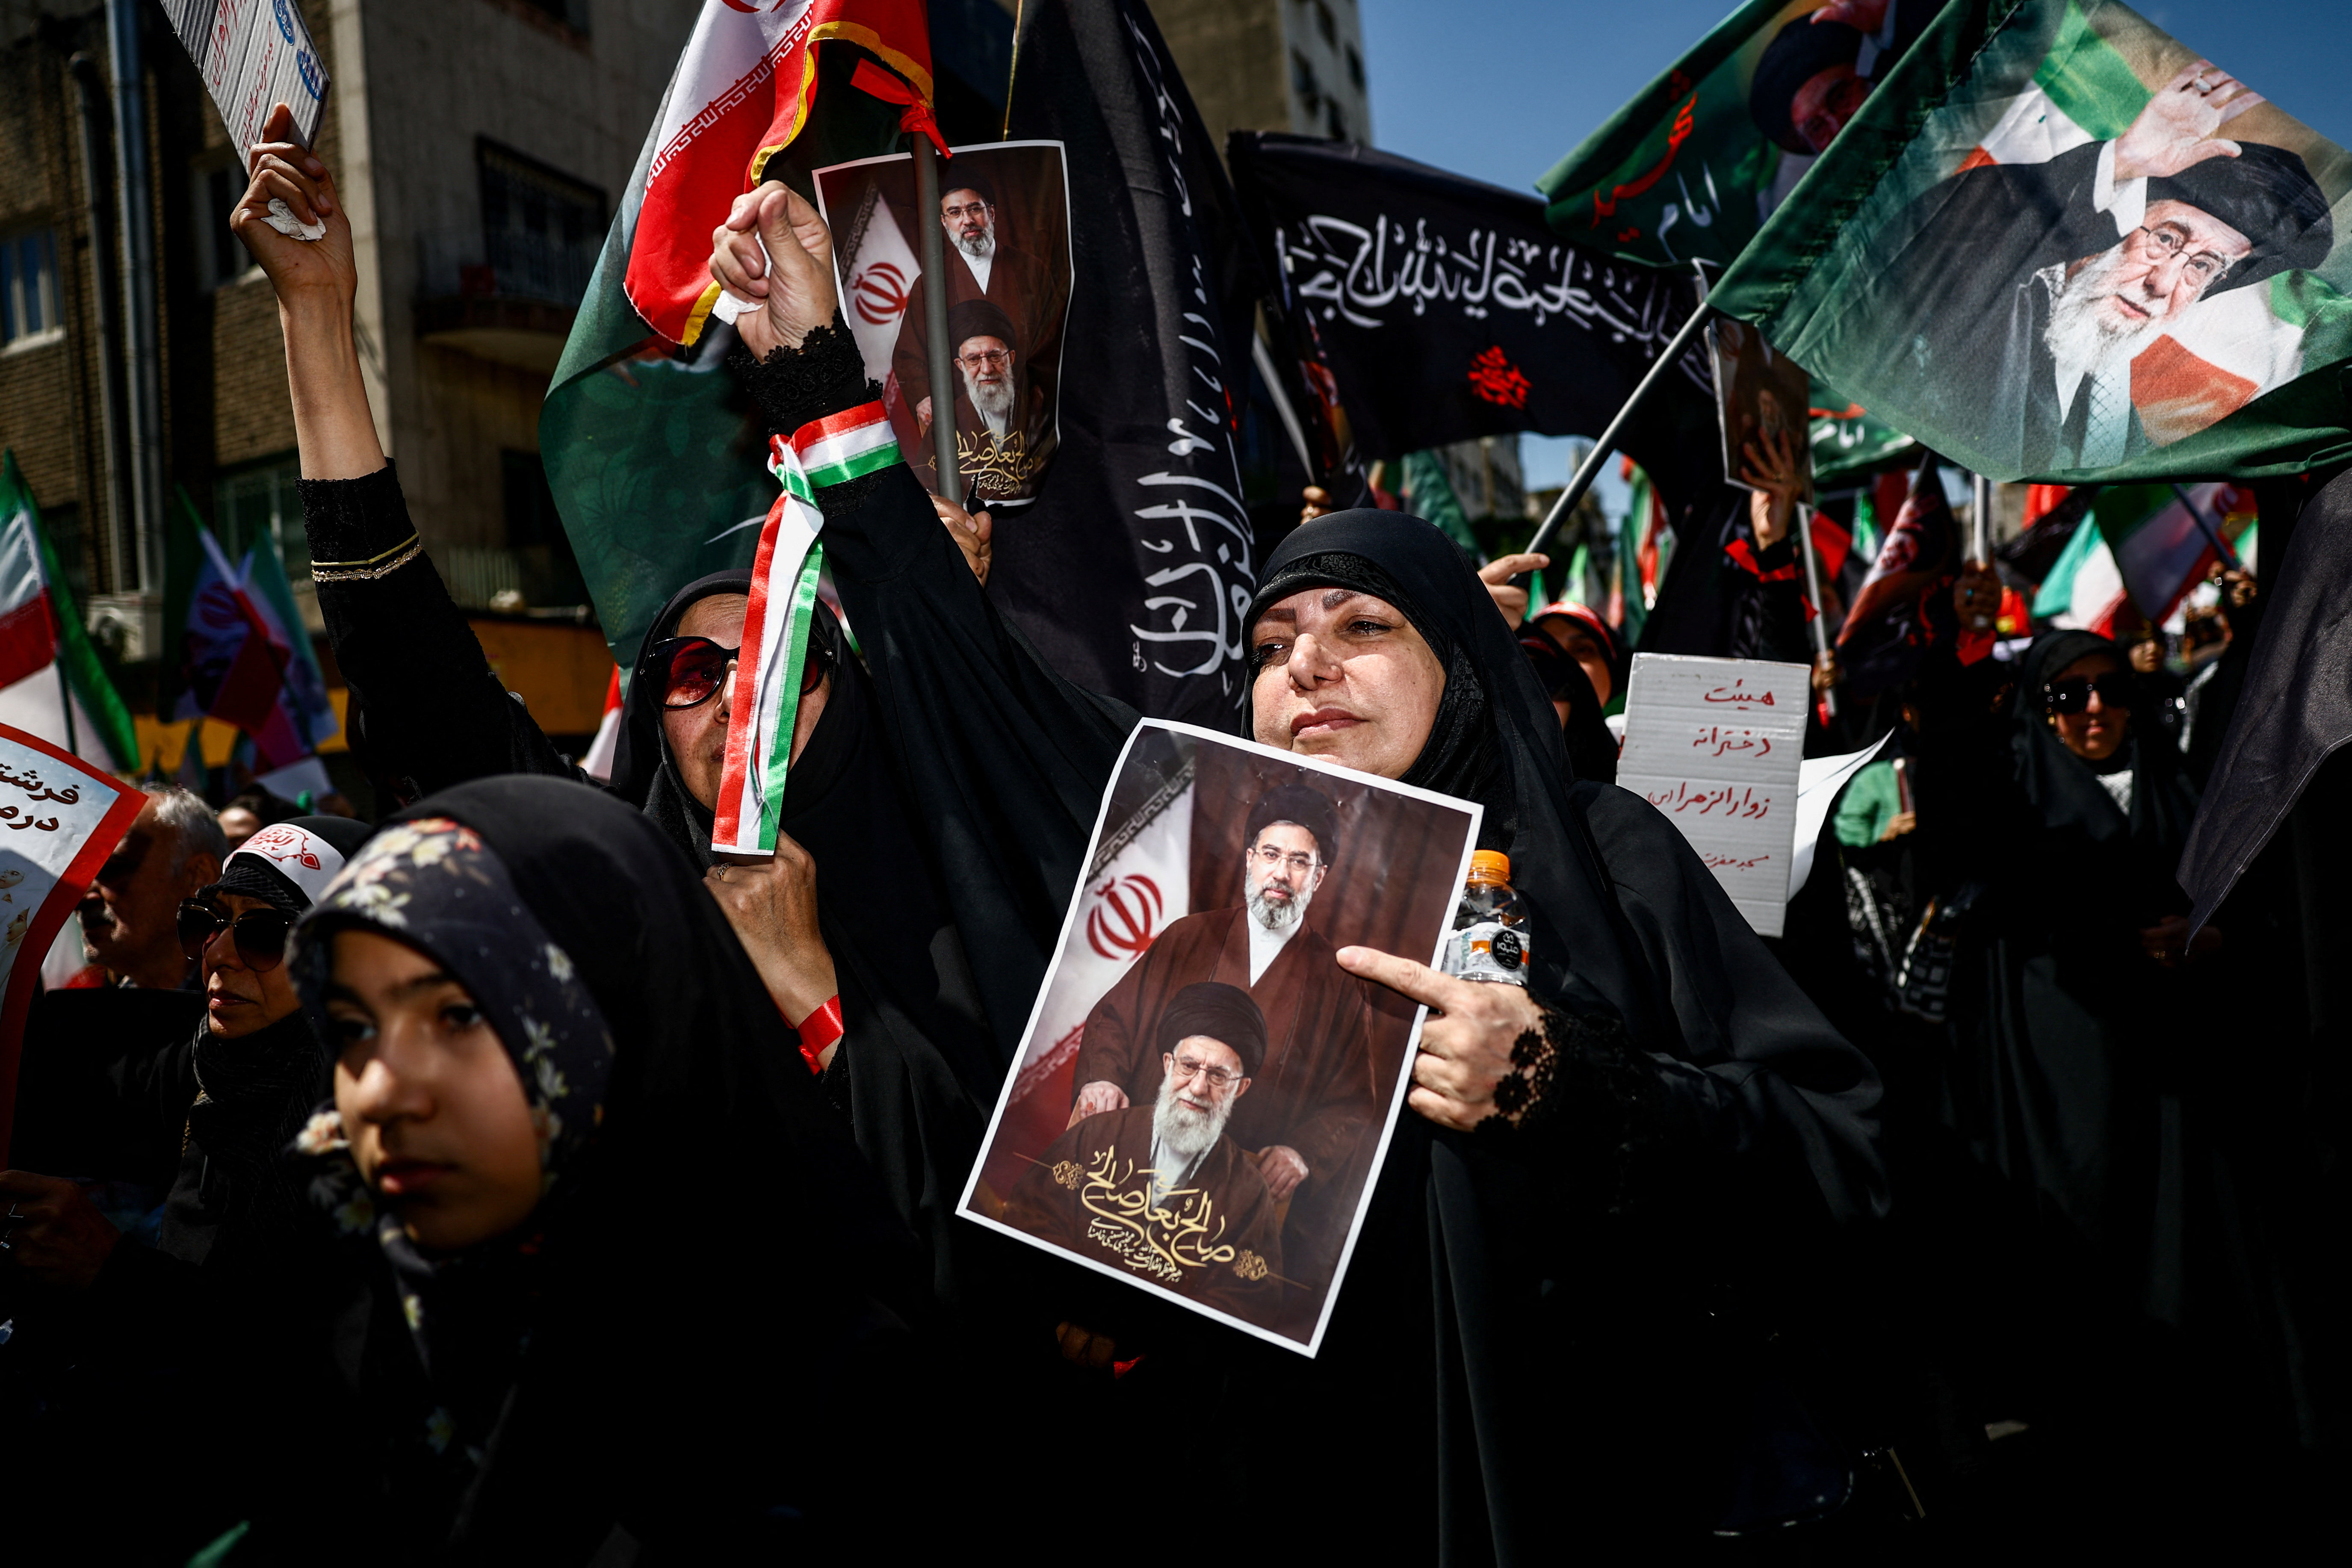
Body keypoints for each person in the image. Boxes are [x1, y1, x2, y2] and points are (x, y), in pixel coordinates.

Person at [709, 185, 1885, 1553]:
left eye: (1363, 625)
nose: (1303, 666)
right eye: (1267, 647)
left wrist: (1568, 1084)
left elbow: (1837, 1150)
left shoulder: (1620, 859)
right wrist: (816, 379)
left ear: (1466, 668)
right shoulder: (1211, 856)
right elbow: (981, 701)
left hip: (1593, 1484)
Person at [229, 111, 1003, 1310]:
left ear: (847, 694)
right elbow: (410, 661)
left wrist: (816, 1001)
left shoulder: (987, 906)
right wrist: (317, 313)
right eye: (689, 675)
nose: (731, 693)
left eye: (778, 657)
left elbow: (996, 1279)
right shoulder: (620, 896)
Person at [264, 778, 925, 1559]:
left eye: (460, 1014)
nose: (380, 1091)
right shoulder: (337, 1319)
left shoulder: (832, 1413)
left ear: (619, 1020)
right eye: (352, 1026)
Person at [0, 815, 372, 1562]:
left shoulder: (371, 1127)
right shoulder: (216, 1065)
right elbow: (62, 1066)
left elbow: (308, 1374)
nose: (221, 954)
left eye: (265, 934)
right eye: (207, 921)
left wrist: (113, 1272)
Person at [1867, 61, 2331, 473]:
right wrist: (2125, 160)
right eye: (2166, 238)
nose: (2161, 284)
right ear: (2119, 218)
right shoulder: (1995, 287)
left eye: (2202, 266)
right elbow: (1949, 234)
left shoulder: (2118, 426)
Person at [1005, 983, 1285, 1323]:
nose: (1198, 1087)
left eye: (1218, 1075)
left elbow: (1247, 1299)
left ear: (1240, 1088)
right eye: (1189, 1066)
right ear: (1168, 1064)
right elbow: (1031, 1217)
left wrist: (1143, 1324)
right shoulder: (1097, 1135)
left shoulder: (1249, 1192)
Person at [892, 167, 1067, 450]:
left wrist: (1044, 393)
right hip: (961, 425)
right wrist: (923, 397)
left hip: (1026, 416)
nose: (967, 220)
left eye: (975, 209)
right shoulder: (931, 283)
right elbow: (909, 353)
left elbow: (1056, 337)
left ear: (992, 213)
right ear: (944, 222)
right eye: (955, 213)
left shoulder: (1030, 270)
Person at [77, 786, 228, 990]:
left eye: (113, 868)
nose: (82, 898)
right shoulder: (91, 1019)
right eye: (78, 874)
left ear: (199, 876)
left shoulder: (261, 1012)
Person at [923, 297, 1053, 505]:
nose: (986, 369)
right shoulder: (947, 417)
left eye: (994, 356)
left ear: (1010, 358)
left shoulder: (1033, 408)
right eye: (974, 359)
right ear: (960, 365)